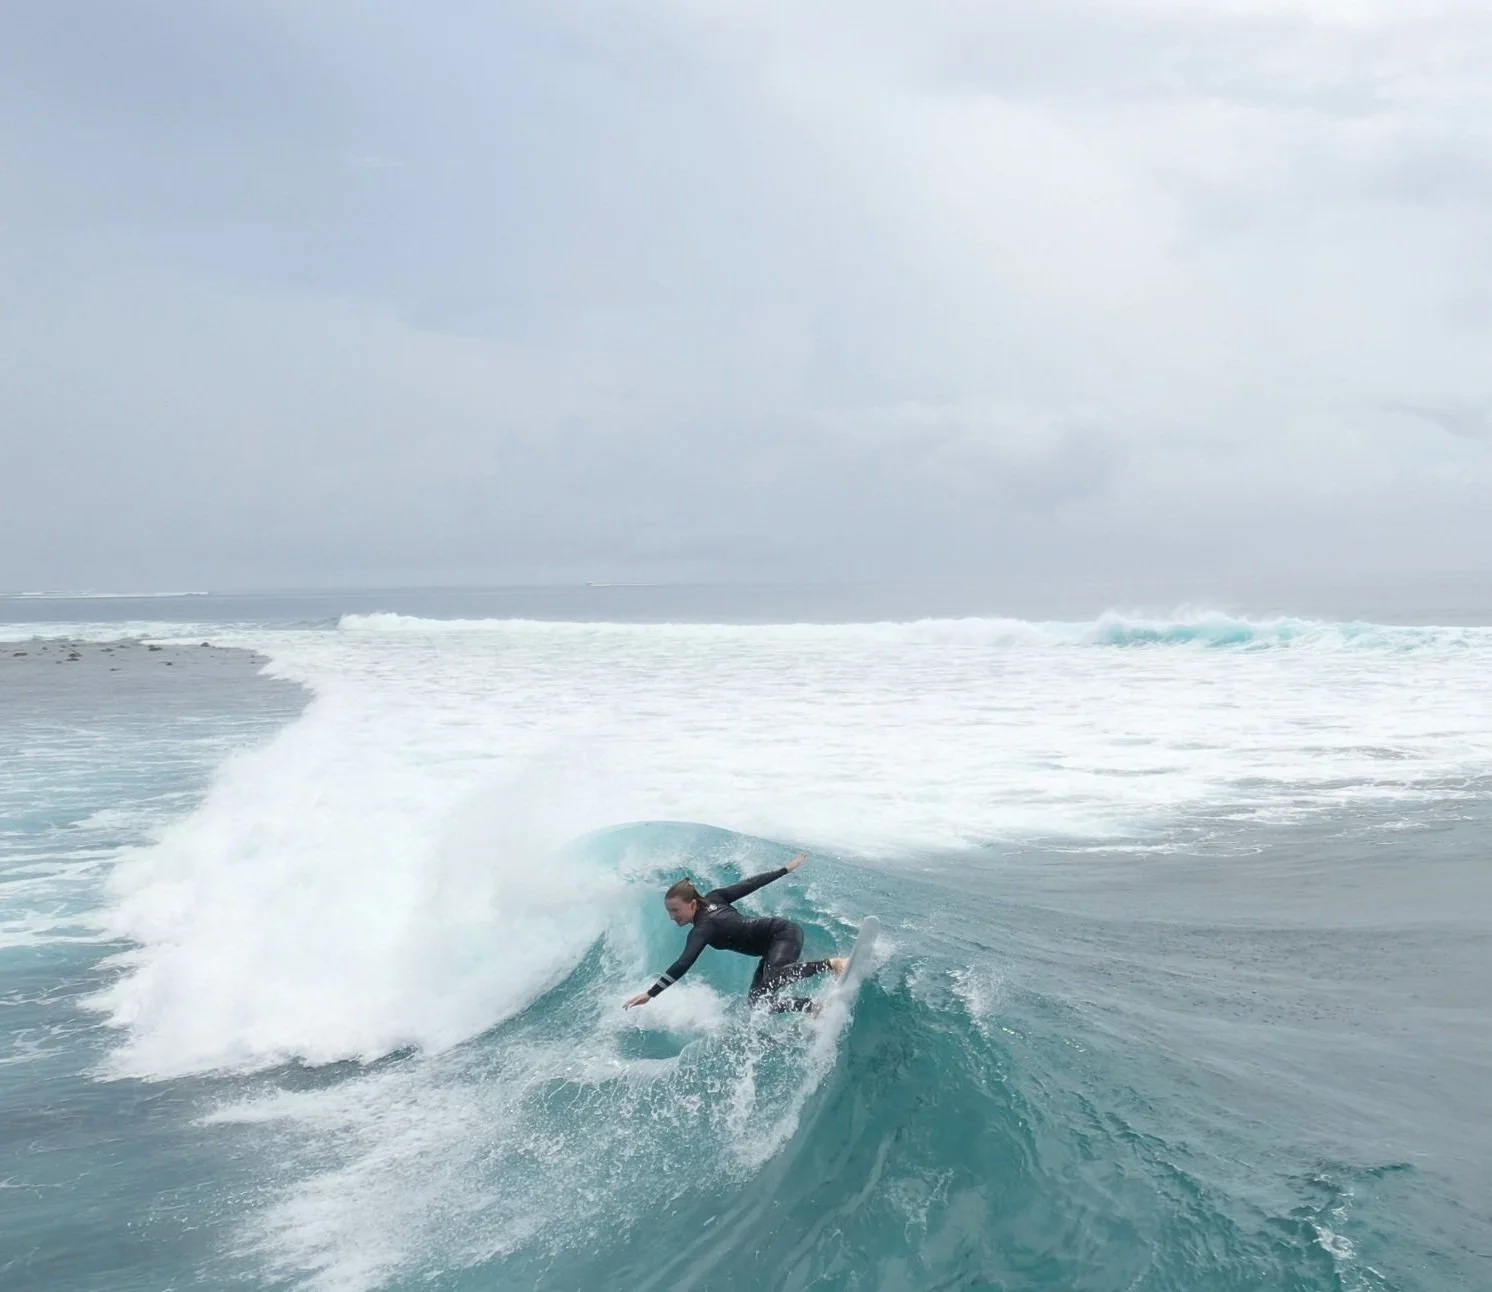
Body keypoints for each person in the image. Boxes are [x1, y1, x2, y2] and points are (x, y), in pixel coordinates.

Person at [623, 852, 845, 1014]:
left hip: (782, 934)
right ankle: (814, 1007)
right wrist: (784, 870)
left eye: (675, 910)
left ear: (692, 904)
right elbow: (749, 885)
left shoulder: (703, 929)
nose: (672, 916)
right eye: (669, 911)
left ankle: (832, 964)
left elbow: (683, 963)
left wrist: (651, 994)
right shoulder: (714, 898)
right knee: (759, 1002)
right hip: (771, 947)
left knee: (774, 976)